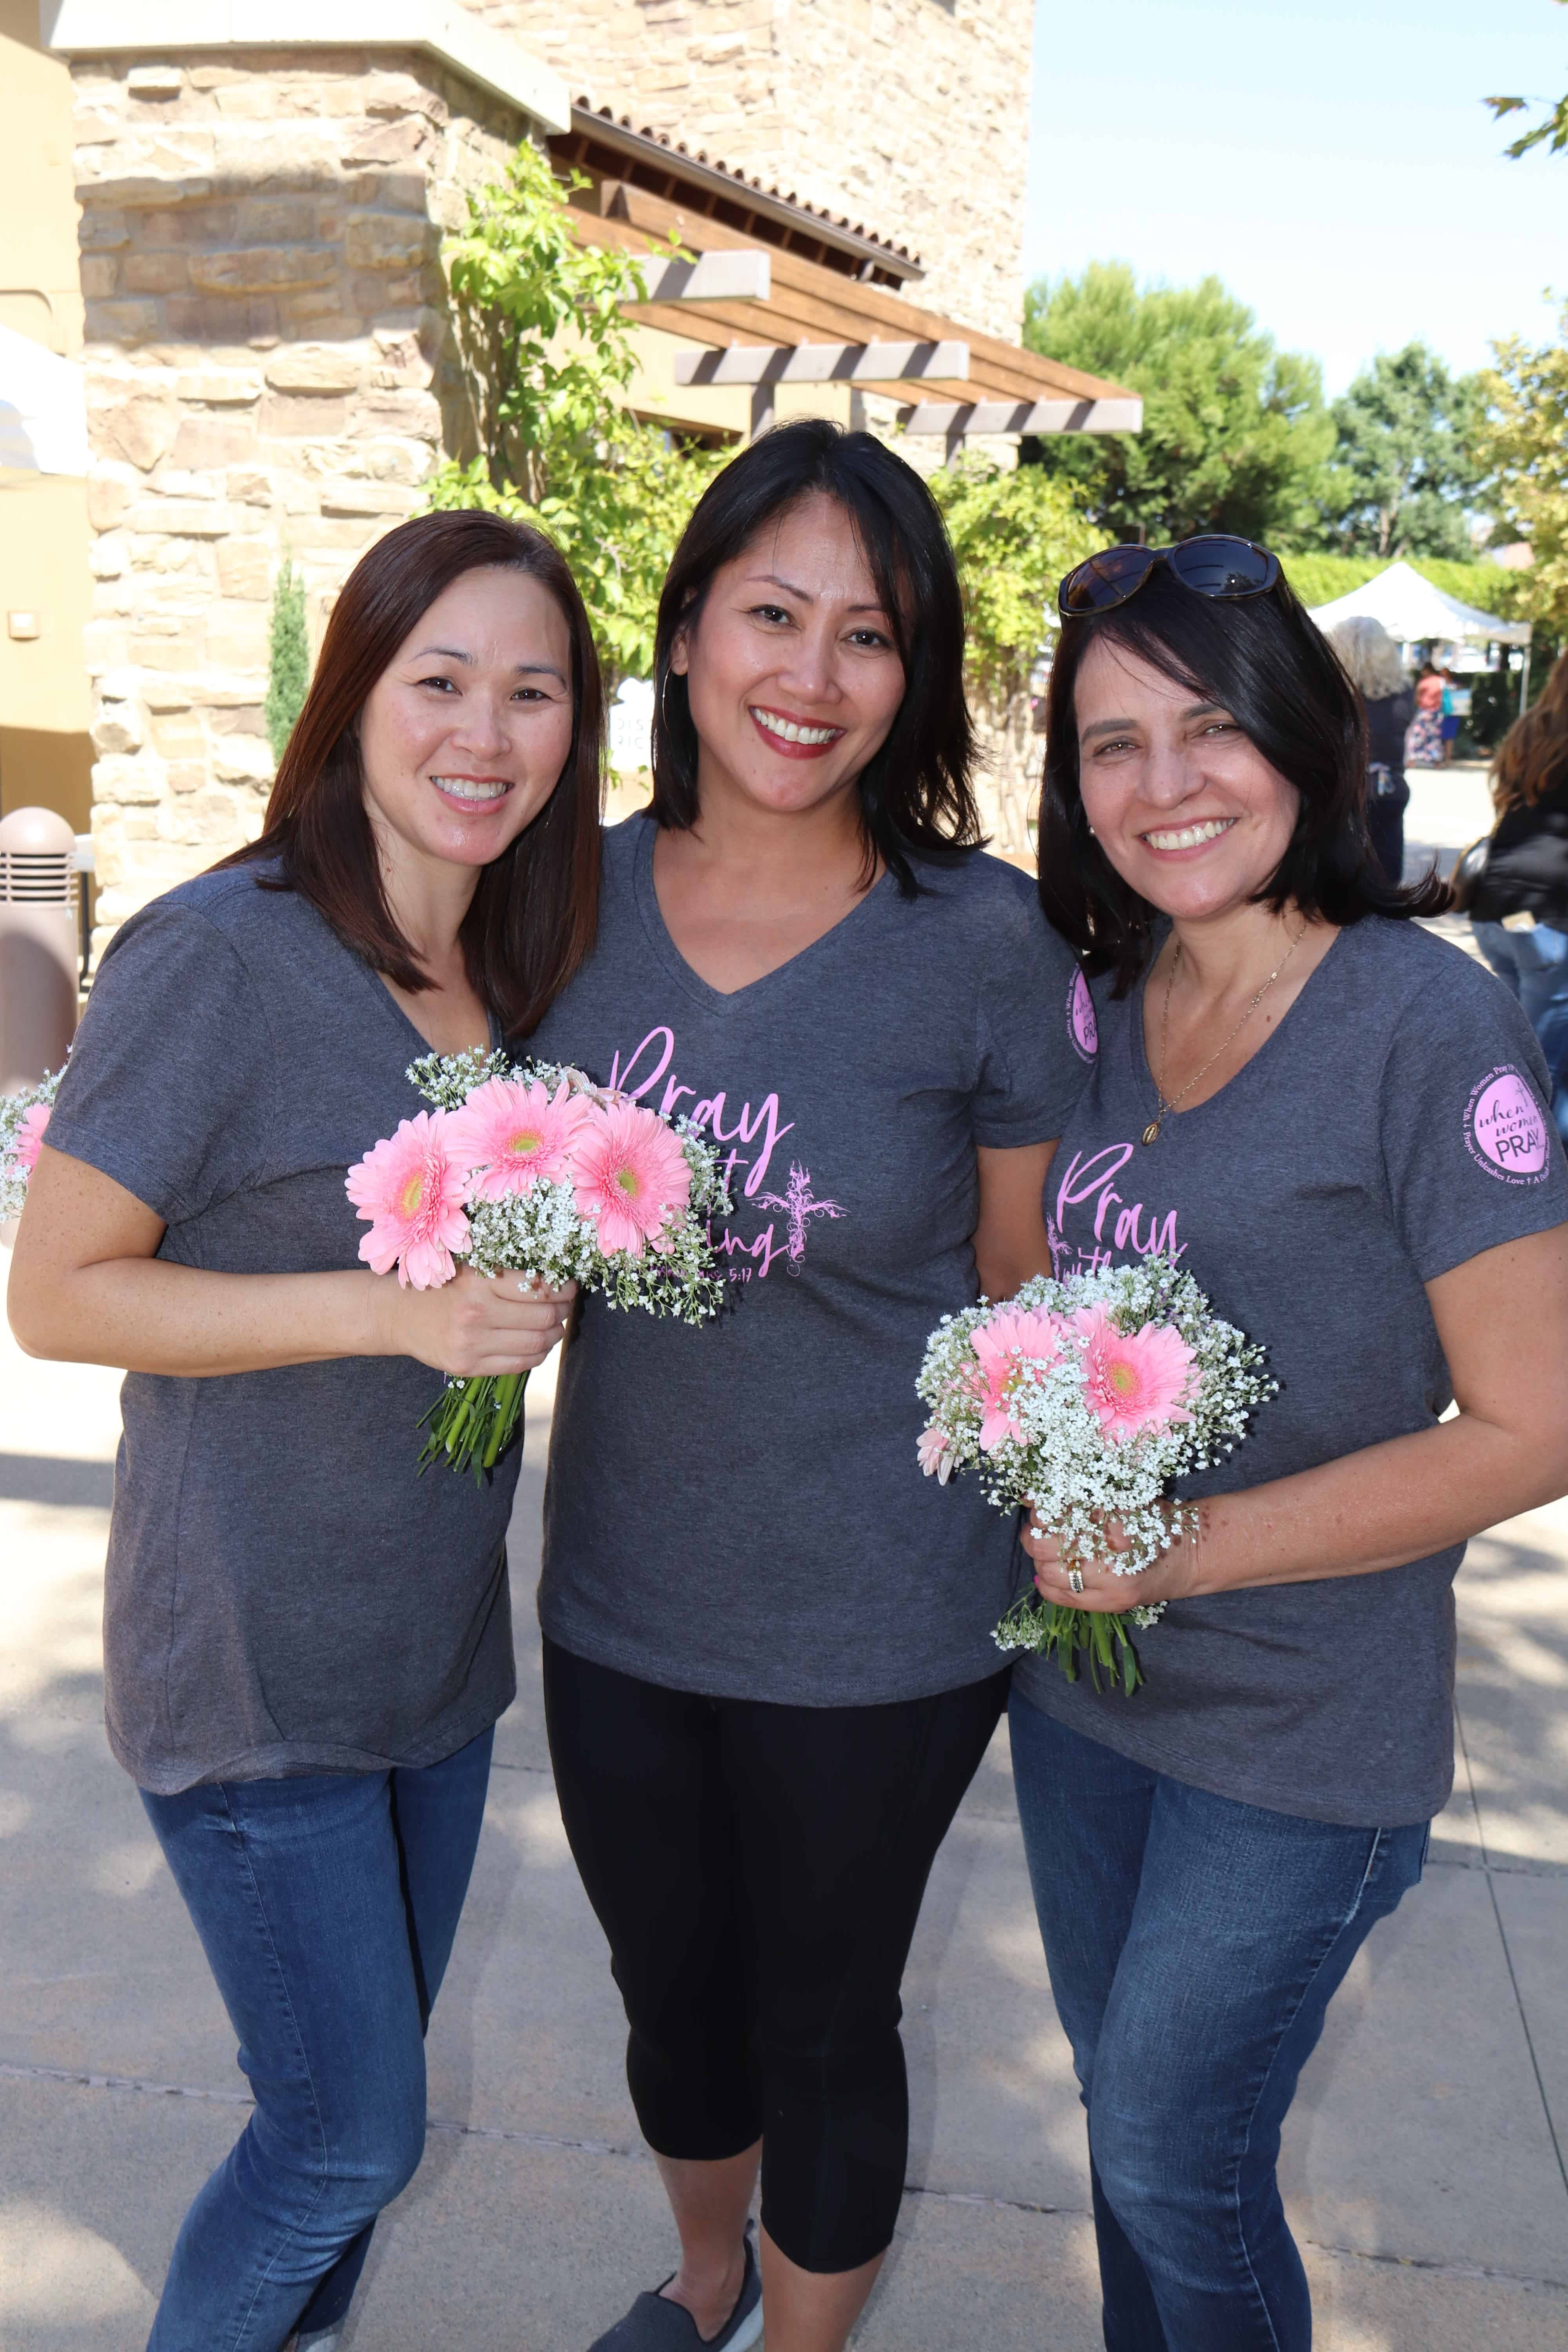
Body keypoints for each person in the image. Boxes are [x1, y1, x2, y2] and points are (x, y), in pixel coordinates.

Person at [5, 510, 602, 2352]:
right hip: (253, 1670)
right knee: (346, 2139)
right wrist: (385, 1313)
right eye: (441, 680)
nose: (485, 733)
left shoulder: (518, 974)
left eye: (533, 691)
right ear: (352, 696)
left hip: (427, 1664)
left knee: (339, 2119)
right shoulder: (221, 953)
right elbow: (57, 1293)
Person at [528, 419, 1089, 2352]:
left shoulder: (981, 943)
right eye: (772, 615)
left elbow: (1017, 1284)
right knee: (669, 1998)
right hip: (617, 1596)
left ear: (911, 676)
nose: (813, 674)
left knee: (825, 2019)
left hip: (883, 1623)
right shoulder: (557, 902)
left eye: (868, 635)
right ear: (686, 632)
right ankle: (703, 2287)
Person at [1014, 534, 1568, 2352]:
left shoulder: (1424, 1021)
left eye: (1209, 729)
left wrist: (1187, 1546)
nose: (1161, 783)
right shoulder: (1100, 1001)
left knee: (1170, 2151)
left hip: (1303, 1734)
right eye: (1111, 743)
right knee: (1123, 2127)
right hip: (1084, 1703)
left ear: (1306, 744)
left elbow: (1534, 1422)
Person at [1470, 647, 1568, 1139]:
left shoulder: (1532, 727)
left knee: (1511, 1058)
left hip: (1496, 908)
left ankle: (1494, 1153)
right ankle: (1535, 1167)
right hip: (1547, 920)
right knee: (1539, 1071)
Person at [1326, 613, 1412, 882]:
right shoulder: (1403, 694)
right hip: (1390, 788)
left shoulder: (1332, 696)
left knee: (1341, 881)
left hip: (1345, 793)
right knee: (1387, 879)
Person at [1405, 657, 1445, 767]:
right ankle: (1436, 761)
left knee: (1418, 735)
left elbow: (1417, 698)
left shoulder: (1423, 682)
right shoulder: (1440, 681)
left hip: (1424, 711)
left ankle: (1412, 760)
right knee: (1435, 736)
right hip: (1436, 712)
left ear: (1427, 670)